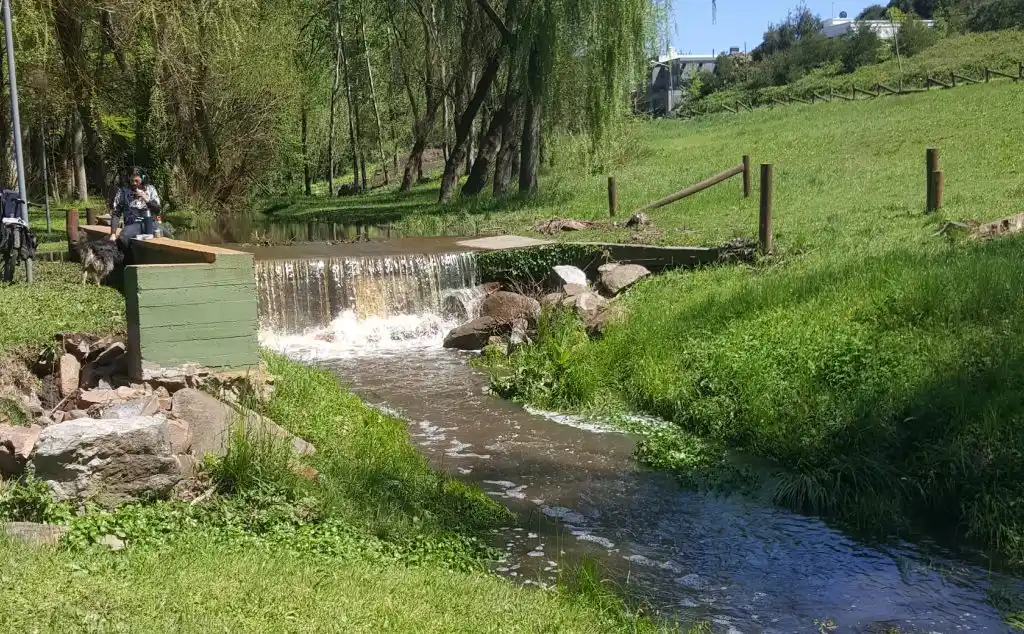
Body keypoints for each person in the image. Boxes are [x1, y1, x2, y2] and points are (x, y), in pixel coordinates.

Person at [109, 167, 161, 257]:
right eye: (132, 180)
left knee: (167, 233)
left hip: (150, 225)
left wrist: (146, 199)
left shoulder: (151, 189)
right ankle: (128, 260)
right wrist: (113, 234)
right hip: (132, 225)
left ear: (143, 179)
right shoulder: (122, 192)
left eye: (137, 181)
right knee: (123, 236)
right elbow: (116, 214)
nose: (134, 183)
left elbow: (157, 209)